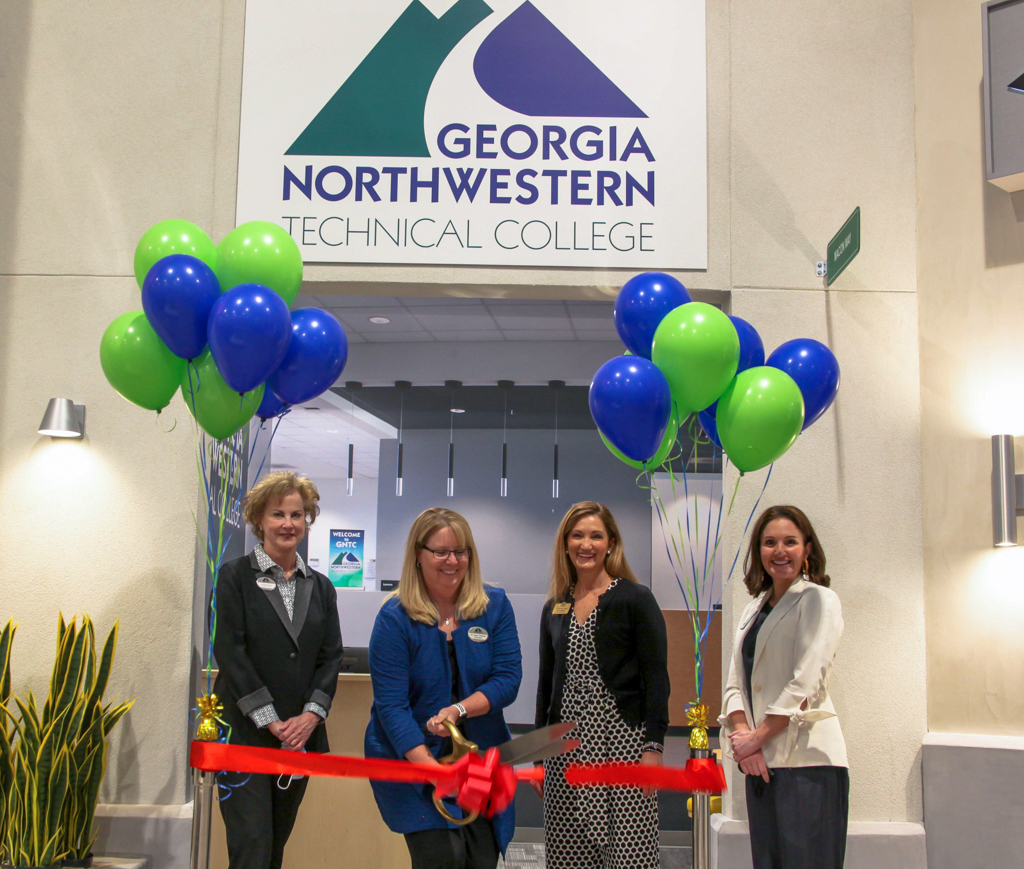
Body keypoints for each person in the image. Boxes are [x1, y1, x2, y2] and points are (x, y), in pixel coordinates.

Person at [365, 507, 522, 869]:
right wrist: (434, 771)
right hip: (415, 761)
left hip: (478, 761)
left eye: (461, 551)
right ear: (418, 556)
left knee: (481, 857)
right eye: (441, 552)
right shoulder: (394, 618)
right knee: (442, 858)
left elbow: (508, 678)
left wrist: (458, 710)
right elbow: (391, 706)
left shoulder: (493, 606)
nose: (452, 560)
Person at [213, 470, 344, 869]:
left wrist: (310, 716)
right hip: (244, 735)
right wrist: (270, 719)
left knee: (274, 847)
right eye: (278, 514)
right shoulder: (234, 576)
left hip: (297, 739)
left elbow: (331, 656)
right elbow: (229, 651)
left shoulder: (321, 587)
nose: (288, 524)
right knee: (251, 845)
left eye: (297, 514)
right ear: (259, 520)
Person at [534, 501, 669, 869]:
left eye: (596, 536)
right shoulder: (554, 608)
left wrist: (653, 748)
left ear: (611, 543)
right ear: (565, 544)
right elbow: (546, 688)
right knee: (568, 857)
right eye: (577, 535)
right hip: (565, 755)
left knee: (629, 858)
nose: (586, 544)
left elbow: (657, 679)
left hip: (623, 746)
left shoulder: (635, 599)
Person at [720, 505, 848, 869]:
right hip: (759, 763)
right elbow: (734, 684)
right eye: (769, 542)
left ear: (808, 548)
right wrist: (745, 741)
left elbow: (806, 681)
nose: (779, 551)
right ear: (758, 552)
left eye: (790, 542)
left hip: (807, 763)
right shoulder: (752, 609)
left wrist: (756, 737)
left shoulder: (819, 600)